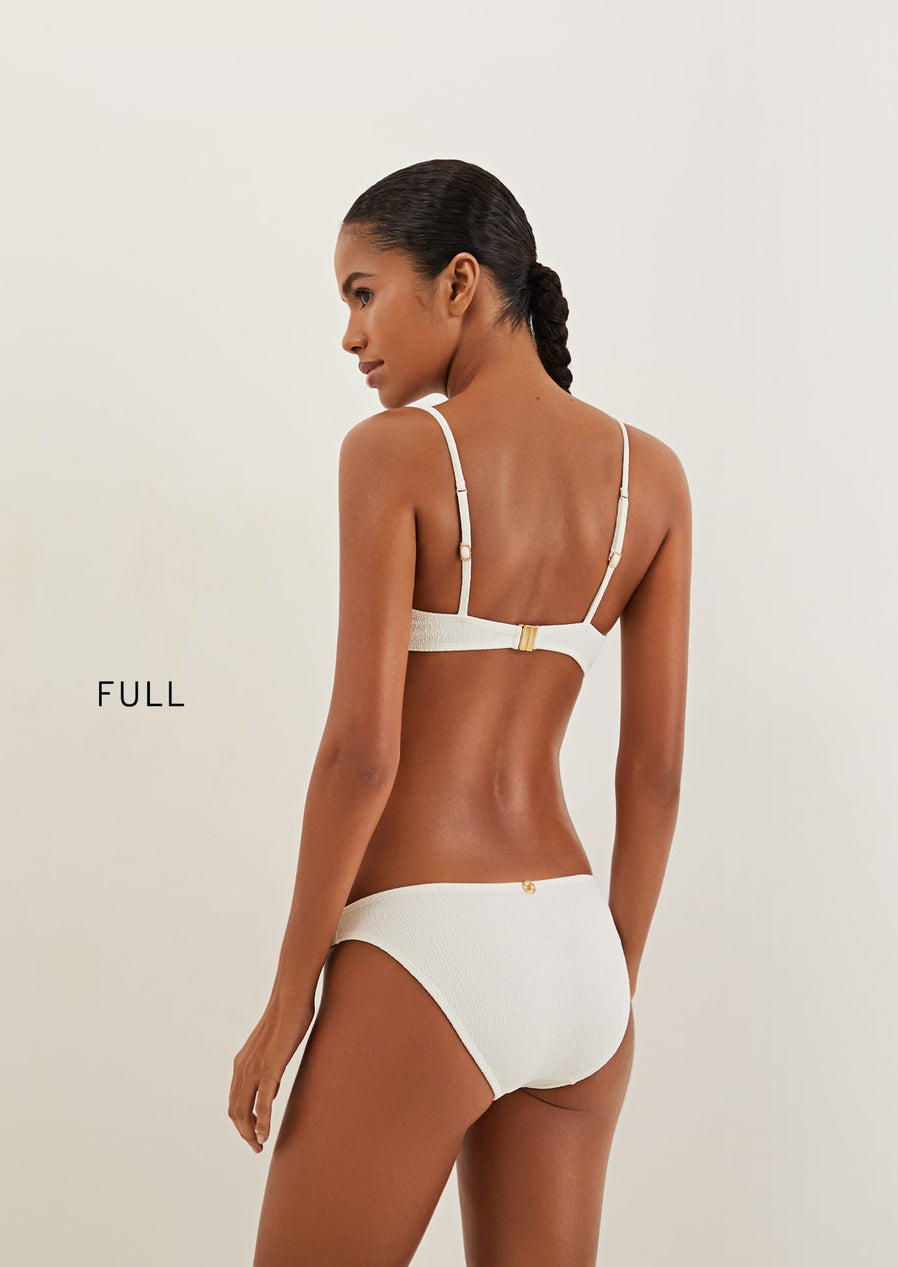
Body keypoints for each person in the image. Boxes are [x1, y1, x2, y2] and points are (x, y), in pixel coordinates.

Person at [230, 157, 691, 1267]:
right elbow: (656, 772)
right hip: (579, 951)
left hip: (427, 950)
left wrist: (288, 1001)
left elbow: (361, 755)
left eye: (362, 291)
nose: (350, 334)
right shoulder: (655, 479)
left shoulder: (395, 456)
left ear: (458, 282)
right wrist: (607, 987)